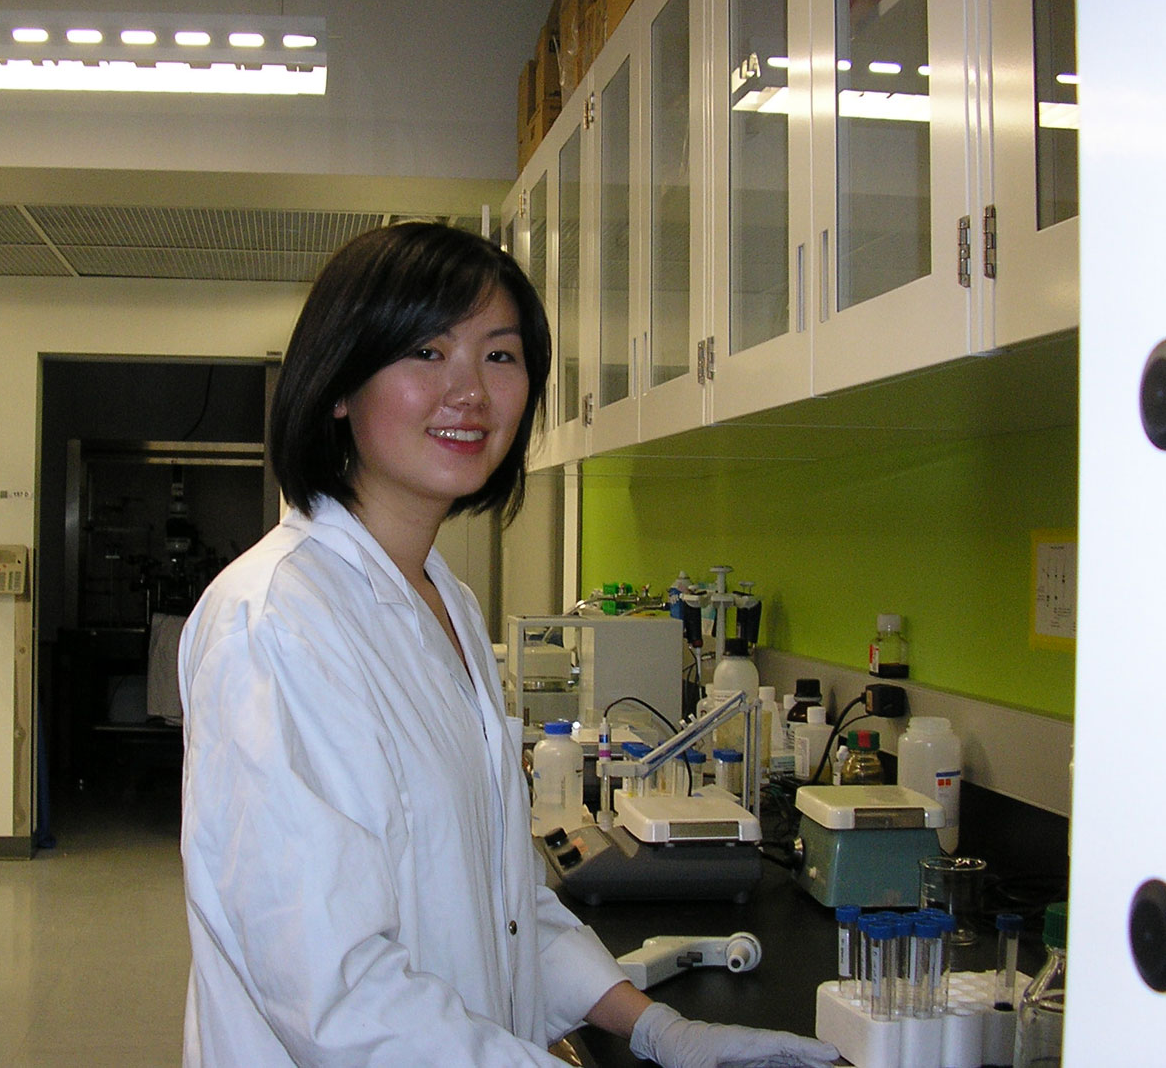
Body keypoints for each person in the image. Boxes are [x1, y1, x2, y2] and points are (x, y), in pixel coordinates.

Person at [177, 222, 839, 1067]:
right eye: (427, 351)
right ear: (339, 384)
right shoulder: (274, 622)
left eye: (499, 355)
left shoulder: (445, 600)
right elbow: (332, 992)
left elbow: (504, 902)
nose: (470, 393)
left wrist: (653, 1025)